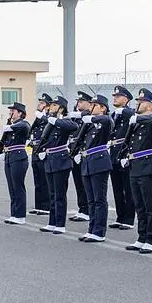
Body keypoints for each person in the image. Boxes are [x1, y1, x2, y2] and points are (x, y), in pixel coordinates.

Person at [119, 89, 152, 253]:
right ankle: (142, 237)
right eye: (137, 101)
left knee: (149, 205)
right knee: (139, 205)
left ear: (150, 105)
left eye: (141, 102)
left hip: (149, 167)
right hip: (135, 166)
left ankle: (151, 240)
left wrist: (138, 118)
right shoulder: (137, 123)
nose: (137, 104)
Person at [71, 94, 114, 242]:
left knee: (99, 198)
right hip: (87, 161)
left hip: (99, 162)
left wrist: (92, 118)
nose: (91, 107)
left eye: (94, 105)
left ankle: (99, 231)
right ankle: (91, 229)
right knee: (91, 199)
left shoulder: (104, 121)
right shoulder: (88, 123)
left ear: (103, 108)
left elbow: (106, 119)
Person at [35, 96, 78, 234]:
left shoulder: (64, 121)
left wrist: (53, 119)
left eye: (54, 106)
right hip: (50, 160)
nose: (50, 108)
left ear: (61, 108)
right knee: (52, 193)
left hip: (61, 161)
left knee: (59, 194)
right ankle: (52, 222)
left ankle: (60, 224)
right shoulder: (51, 123)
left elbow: (73, 126)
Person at [0, 102, 29, 225]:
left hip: (19, 158)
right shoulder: (11, 125)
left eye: (13, 111)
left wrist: (11, 127)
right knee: (12, 188)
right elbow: (4, 140)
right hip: (10, 157)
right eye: (10, 111)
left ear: (20, 113)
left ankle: (20, 215)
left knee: (18, 186)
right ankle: (14, 213)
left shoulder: (22, 124)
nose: (10, 113)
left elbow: (24, 127)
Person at [108, 86, 136, 230]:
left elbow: (133, 117)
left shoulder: (128, 113)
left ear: (126, 99)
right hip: (113, 154)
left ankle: (129, 219)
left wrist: (124, 110)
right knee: (117, 188)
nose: (115, 98)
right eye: (114, 96)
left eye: (118, 96)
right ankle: (120, 216)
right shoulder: (114, 115)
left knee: (128, 188)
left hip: (124, 153)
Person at [68, 91, 94, 223]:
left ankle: (88, 210)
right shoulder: (76, 117)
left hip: (84, 153)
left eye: (81, 101)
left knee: (85, 184)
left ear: (90, 104)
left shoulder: (89, 116)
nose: (78, 103)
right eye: (78, 101)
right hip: (74, 153)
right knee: (78, 183)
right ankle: (82, 208)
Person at [27, 93, 53, 217]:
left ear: (47, 106)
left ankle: (46, 206)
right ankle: (39, 206)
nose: (39, 105)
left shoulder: (48, 118)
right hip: (35, 150)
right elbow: (33, 130)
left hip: (44, 151)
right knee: (37, 179)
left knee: (44, 180)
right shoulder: (39, 118)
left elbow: (50, 126)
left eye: (42, 103)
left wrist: (42, 116)